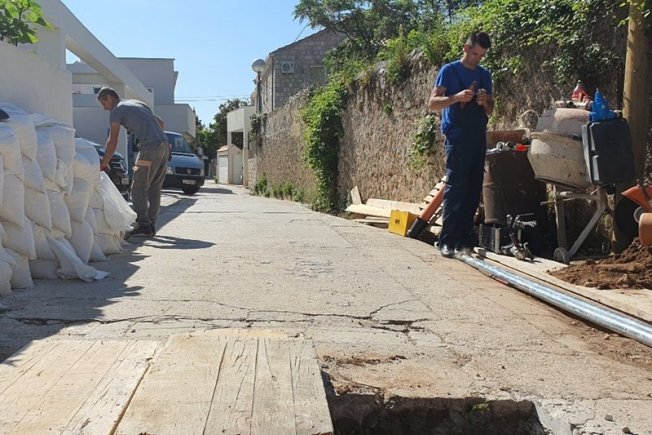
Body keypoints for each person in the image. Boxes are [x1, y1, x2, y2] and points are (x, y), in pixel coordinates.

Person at [428, 31, 494, 258]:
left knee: (473, 189)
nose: (478, 59)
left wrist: (485, 101)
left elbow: (490, 110)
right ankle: (446, 240)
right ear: (466, 48)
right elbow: (432, 103)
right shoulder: (449, 71)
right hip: (457, 137)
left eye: (482, 55)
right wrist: (456, 97)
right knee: (456, 188)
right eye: (476, 54)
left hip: (477, 136)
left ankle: (464, 240)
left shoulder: (484, 74)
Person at [97, 87, 170, 238]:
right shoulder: (137, 103)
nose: (105, 108)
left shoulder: (116, 110)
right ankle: (150, 224)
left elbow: (113, 140)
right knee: (155, 187)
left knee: (138, 187)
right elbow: (161, 123)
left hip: (149, 148)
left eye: (104, 103)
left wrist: (104, 163)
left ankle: (143, 223)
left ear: (109, 98)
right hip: (164, 146)